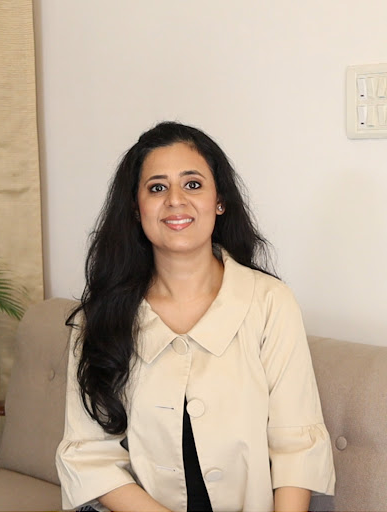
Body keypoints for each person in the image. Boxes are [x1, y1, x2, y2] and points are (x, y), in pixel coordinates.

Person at [55, 121, 335, 512]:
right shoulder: (100, 317)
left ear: (219, 200)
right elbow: (88, 456)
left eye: (192, 184)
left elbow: (297, 448)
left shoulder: (271, 302)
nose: (175, 200)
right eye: (157, 188)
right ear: (136, 208)